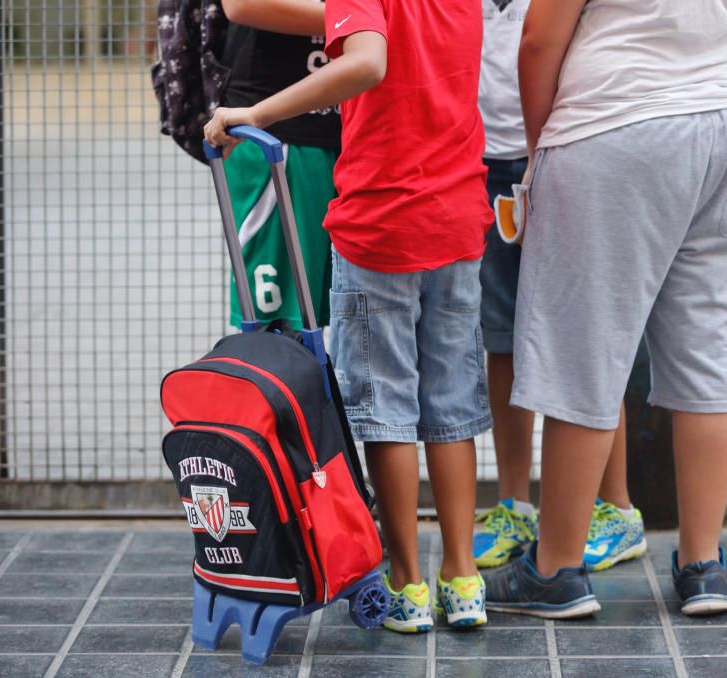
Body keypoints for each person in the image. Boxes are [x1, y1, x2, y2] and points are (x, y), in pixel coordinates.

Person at [205, 0, 493, 633]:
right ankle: (463, 579)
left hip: (380, 224)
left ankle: (408, 583)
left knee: (387, 408)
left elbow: (365, 64)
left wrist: (257, 112)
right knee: (450, 404)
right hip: (456, 217)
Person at [484, 0, 727, 618]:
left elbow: (538, 40)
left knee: (584, 351)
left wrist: (541, 149)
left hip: (612, 127)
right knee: (710, 347)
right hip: (720, 128)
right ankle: (703, 565)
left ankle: (553, 569)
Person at [473, 0, 646, 573]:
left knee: (588, 336)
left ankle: (614, 508)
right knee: (501, 338)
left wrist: (542, 155)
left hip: (569, 152)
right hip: (481, 162)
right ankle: (514, 503)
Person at [219, 0, 339, 329]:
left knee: (358, 322)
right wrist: (368, 21)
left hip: (358, 132)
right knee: (280, 327)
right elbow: (241, 4)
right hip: (280, 136)